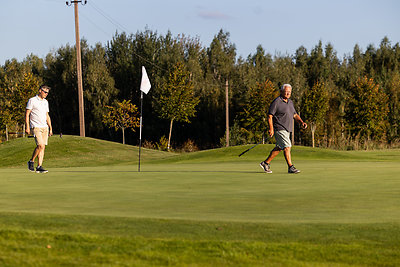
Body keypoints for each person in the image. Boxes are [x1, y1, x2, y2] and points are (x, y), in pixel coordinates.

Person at [260, 84, 307, 174]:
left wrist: (301, 122)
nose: (288, 93)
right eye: (286, 91)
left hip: (287, 129)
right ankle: (290, 167)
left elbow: (294, 115)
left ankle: (266, 163)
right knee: (287, 146)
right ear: (281, 92)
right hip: (279, 128)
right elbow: (270, 116)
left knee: (280, 147)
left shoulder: (290, 102)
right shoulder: (276, 102)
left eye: (289, 91)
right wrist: (271, 128)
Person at [25, 85, 53, 173]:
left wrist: (50, 128)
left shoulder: (45, 102)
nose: (46, 94)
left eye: (47, 93)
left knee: (42, 147)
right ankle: (31, 161)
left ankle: (39, 166)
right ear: (40, 90)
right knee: (40, 145)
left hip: (45, 127)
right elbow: (27, 114)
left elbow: (47, 115)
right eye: (45, 92)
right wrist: (27, 127)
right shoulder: (32, 100)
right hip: (36, 126)